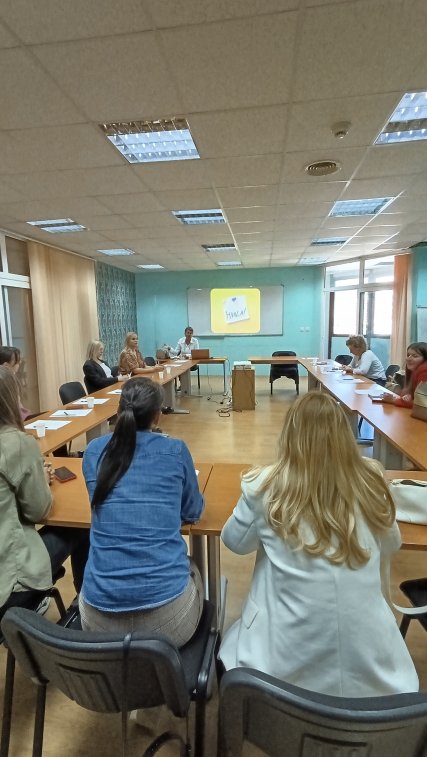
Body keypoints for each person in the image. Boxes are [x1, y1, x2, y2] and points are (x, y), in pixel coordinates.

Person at [218, 391, 418, 697]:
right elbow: (392, 544)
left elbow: (234, 541)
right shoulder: (371, 482)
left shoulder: (263, 486)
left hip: (279, 675)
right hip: (374, 678)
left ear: (289, 436)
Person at [79, 378, 204, 645]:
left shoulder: (93, 452)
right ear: (157, 415)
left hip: (98, 623)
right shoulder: (175, 450)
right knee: (193, 567)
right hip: (169, 624)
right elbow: (193, 511)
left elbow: (102, 504)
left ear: (119, 409)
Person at [0, 366, 89, 612]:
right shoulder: (17, 443)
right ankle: (85, 605)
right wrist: (41, 480)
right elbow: (38, 511)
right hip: (10, 583)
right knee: (82, 525)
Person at [380, 342, 427, 408]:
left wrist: (393, 400)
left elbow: (422, 405)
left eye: (415, 356)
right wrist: (409, 397)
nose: (408, 358)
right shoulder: (414, 370)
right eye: (408, 355)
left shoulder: (424, 371)